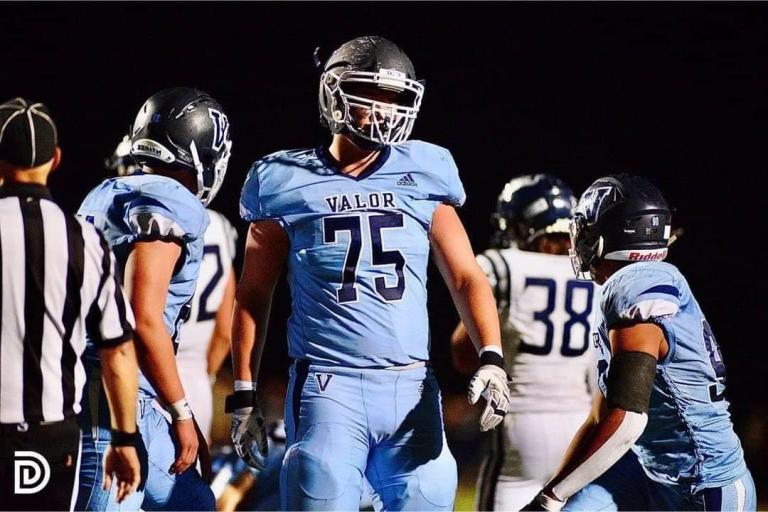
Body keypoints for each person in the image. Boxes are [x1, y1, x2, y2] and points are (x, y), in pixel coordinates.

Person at [228, 35, 511, 511]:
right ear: (333, 91)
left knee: (429, 497)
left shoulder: (425, 169)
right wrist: (243, 391)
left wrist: (492, 355)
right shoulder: (283, 179)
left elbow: (465, 275)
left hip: (411, 386)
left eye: (394, 97)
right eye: (369, 93)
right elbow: (255, 294)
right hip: (327, 386)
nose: (383, 108)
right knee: (318, 490)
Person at [524, 174, 756, 511]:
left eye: (586, 231)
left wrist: (551, 497)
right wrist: (550, 492)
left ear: (610, 235)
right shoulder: (626, 288)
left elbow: (629, 418)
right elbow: (598, 418)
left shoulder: (637, 281)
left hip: (702, 484)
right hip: (653, 473)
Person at [75, 87, 232, 510]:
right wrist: (182, 412)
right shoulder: (172, 200)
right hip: (110, 398)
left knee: (194, 503)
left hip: (125, 392)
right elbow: (142, 317)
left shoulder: (104, 193)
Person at [0, 97, 140, 510]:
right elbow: (118, 348)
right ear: (55, 159)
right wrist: (125, 438)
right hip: (48, 434)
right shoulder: (84, 239)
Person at [450, 174, 597, 511]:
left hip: (523, 426)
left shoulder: (503, 267)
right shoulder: (596, 276)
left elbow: (462, 354)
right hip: (583, 426)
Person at [105, 136, 239, 443]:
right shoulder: (213, 223)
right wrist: (201, 376)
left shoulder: (135, 230)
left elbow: (137, 315)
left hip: (140, 375)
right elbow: (224, 324)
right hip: (194, 382)